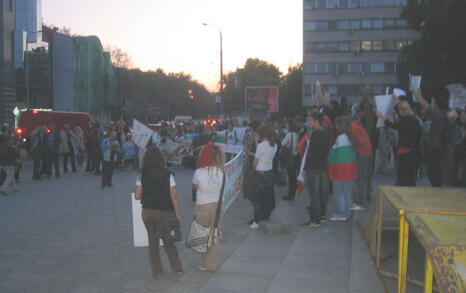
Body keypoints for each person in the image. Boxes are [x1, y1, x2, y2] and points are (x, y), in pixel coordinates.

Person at [133, 146, 183, 277]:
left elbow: (137, 195)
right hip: (165, 212)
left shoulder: (141, 174)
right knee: (168, 240)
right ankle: (176, 268)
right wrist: (177, 213)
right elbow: (173, 195)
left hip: (148, 212)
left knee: (153, 241)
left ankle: (157, 271)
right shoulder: (168, 174)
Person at [192, 143, 226, 271]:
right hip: (219, 206)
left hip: (203, 207)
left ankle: (206, 263)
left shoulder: (199, 172)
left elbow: (196, 188)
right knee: (214, 234)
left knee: (202, 235)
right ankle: (212, 263)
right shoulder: (222, 172)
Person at [377, 100, 421, 186]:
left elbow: (393, 126)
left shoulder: (404, 120)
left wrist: (383, 117)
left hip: (404, 150)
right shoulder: (416, 121)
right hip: (414, 151)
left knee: (402, 175)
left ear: (402, 111)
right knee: (410, 175)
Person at [411, 87, 449, 186]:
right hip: (437, 147)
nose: (433, 106)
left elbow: (425, 105)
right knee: (434, 173)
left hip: (435, 148)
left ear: (437, 106)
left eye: (434, 104)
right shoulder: (443, 116)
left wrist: (415, 93)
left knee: (434, 173)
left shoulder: (439, 115)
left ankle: (437, 191)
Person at [301, 112, 330, 227]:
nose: (309, 123)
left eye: (310, 121)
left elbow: (311, 153)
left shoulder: (315, 134)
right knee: (322, 193)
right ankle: (322, 216)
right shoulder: (325, 132)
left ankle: (314, 219)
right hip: (323, 166)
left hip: (313, 167)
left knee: (314, 194)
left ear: (317, 121)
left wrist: (305, 168)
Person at [328, 116, 357, 222]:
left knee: (338, 193)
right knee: (347, 193)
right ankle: (347, 213)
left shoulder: (340, 138)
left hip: (340, 170)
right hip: (349, 169)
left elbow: (335, 155)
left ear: (339, 126)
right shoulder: (351, 137)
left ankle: (342, 213)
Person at [250, 124, 277, 229]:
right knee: (266, 196)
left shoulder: (262, 146)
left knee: (257, 198)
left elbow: (255, 161)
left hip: (260, 173)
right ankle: (265, 217)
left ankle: (256, 221)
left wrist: (253, 167)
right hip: (269, 172)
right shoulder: (274, 145)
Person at [350, 119, 373, 210]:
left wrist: (354, 145)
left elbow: (361, 141)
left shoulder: (353, 128)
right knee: (362, 178)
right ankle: (361, 200)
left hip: (362, 153)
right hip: (366, 152)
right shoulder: (356, 125)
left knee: (360, 178)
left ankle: (361, 203)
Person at [281, 119, 299, 201]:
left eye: (287, 124)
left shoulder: (289, 134)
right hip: (294, 157)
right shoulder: (295, 134)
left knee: (291, 177)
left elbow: (283, 143)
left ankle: (290, 195)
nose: (286, 125)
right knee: (293, 177)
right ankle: (292, 193)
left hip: (289, 158)